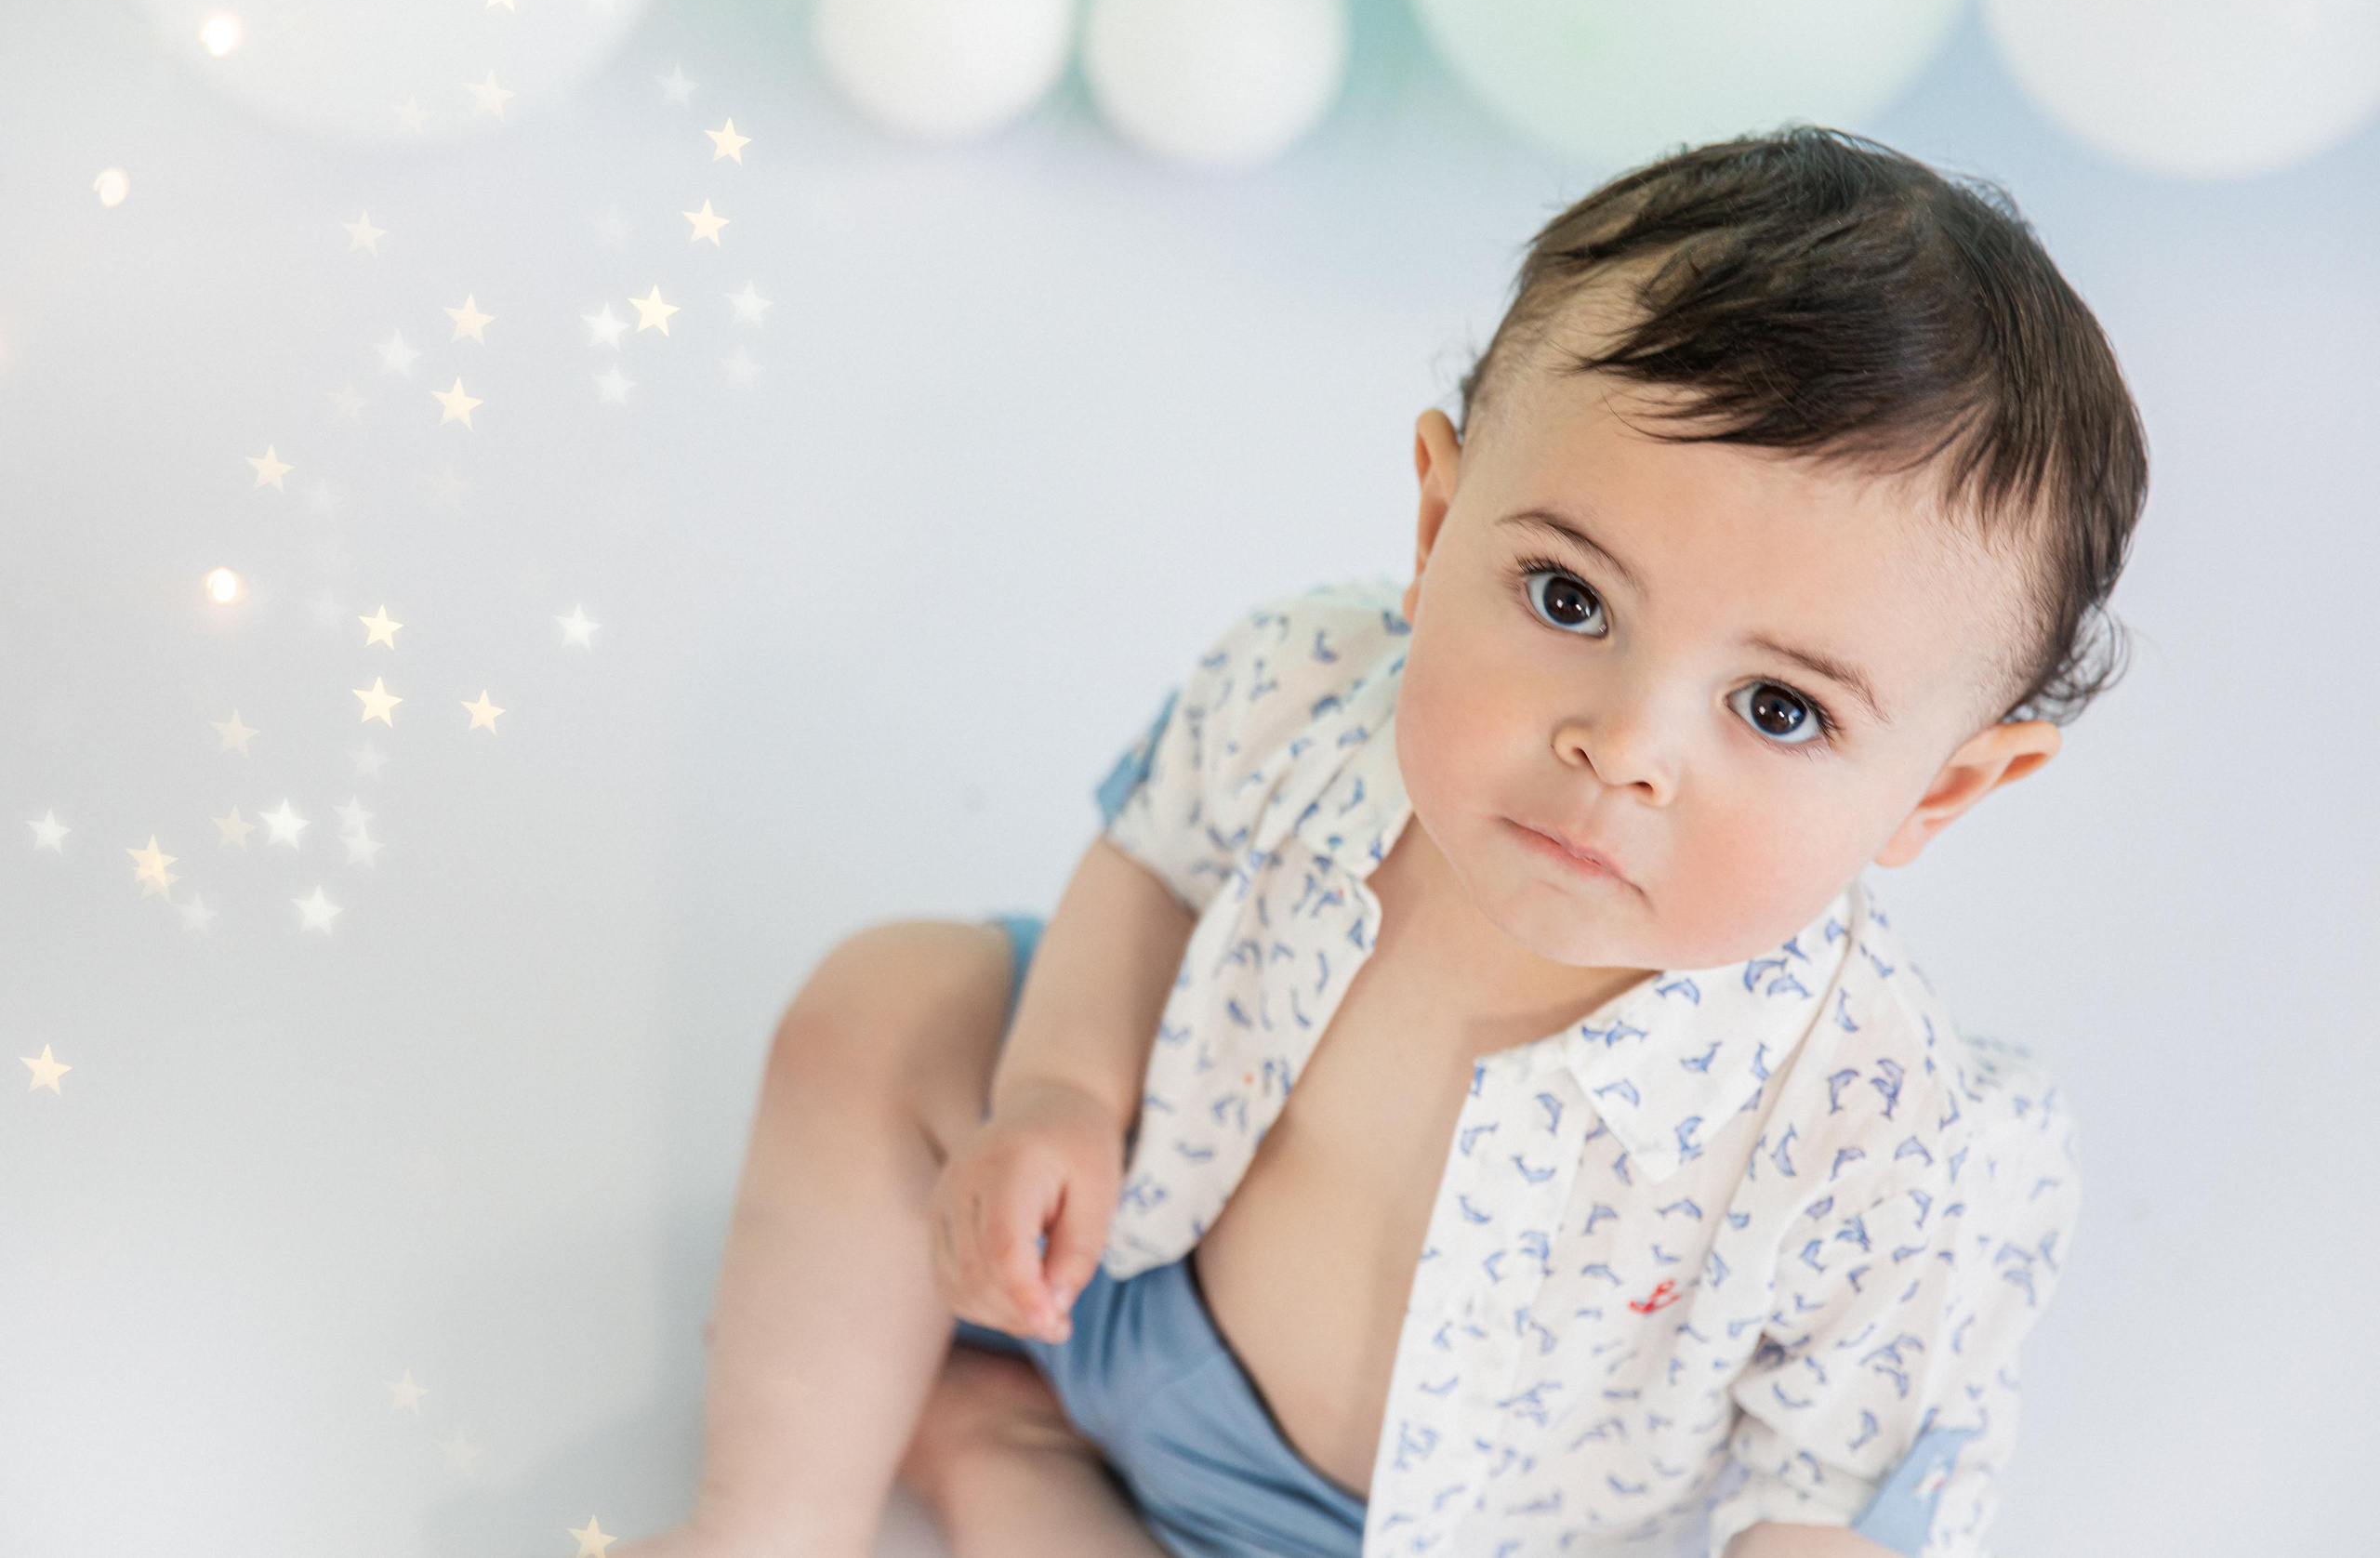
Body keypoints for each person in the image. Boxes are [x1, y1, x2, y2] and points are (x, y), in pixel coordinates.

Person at [617, 125, 2146, 1558]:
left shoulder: (1879, 1136)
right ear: (1437, 521)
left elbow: (1827, 1499)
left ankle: (995, 1460)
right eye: (1568, 601)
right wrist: (1062, 1094)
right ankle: (774, 1522)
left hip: (1434, 1529)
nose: (1623, 746)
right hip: (1131, 1276)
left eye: (1778, 708)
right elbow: (1153, 868)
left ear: (1939, 794)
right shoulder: (1311, 688)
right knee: (888, 1002)